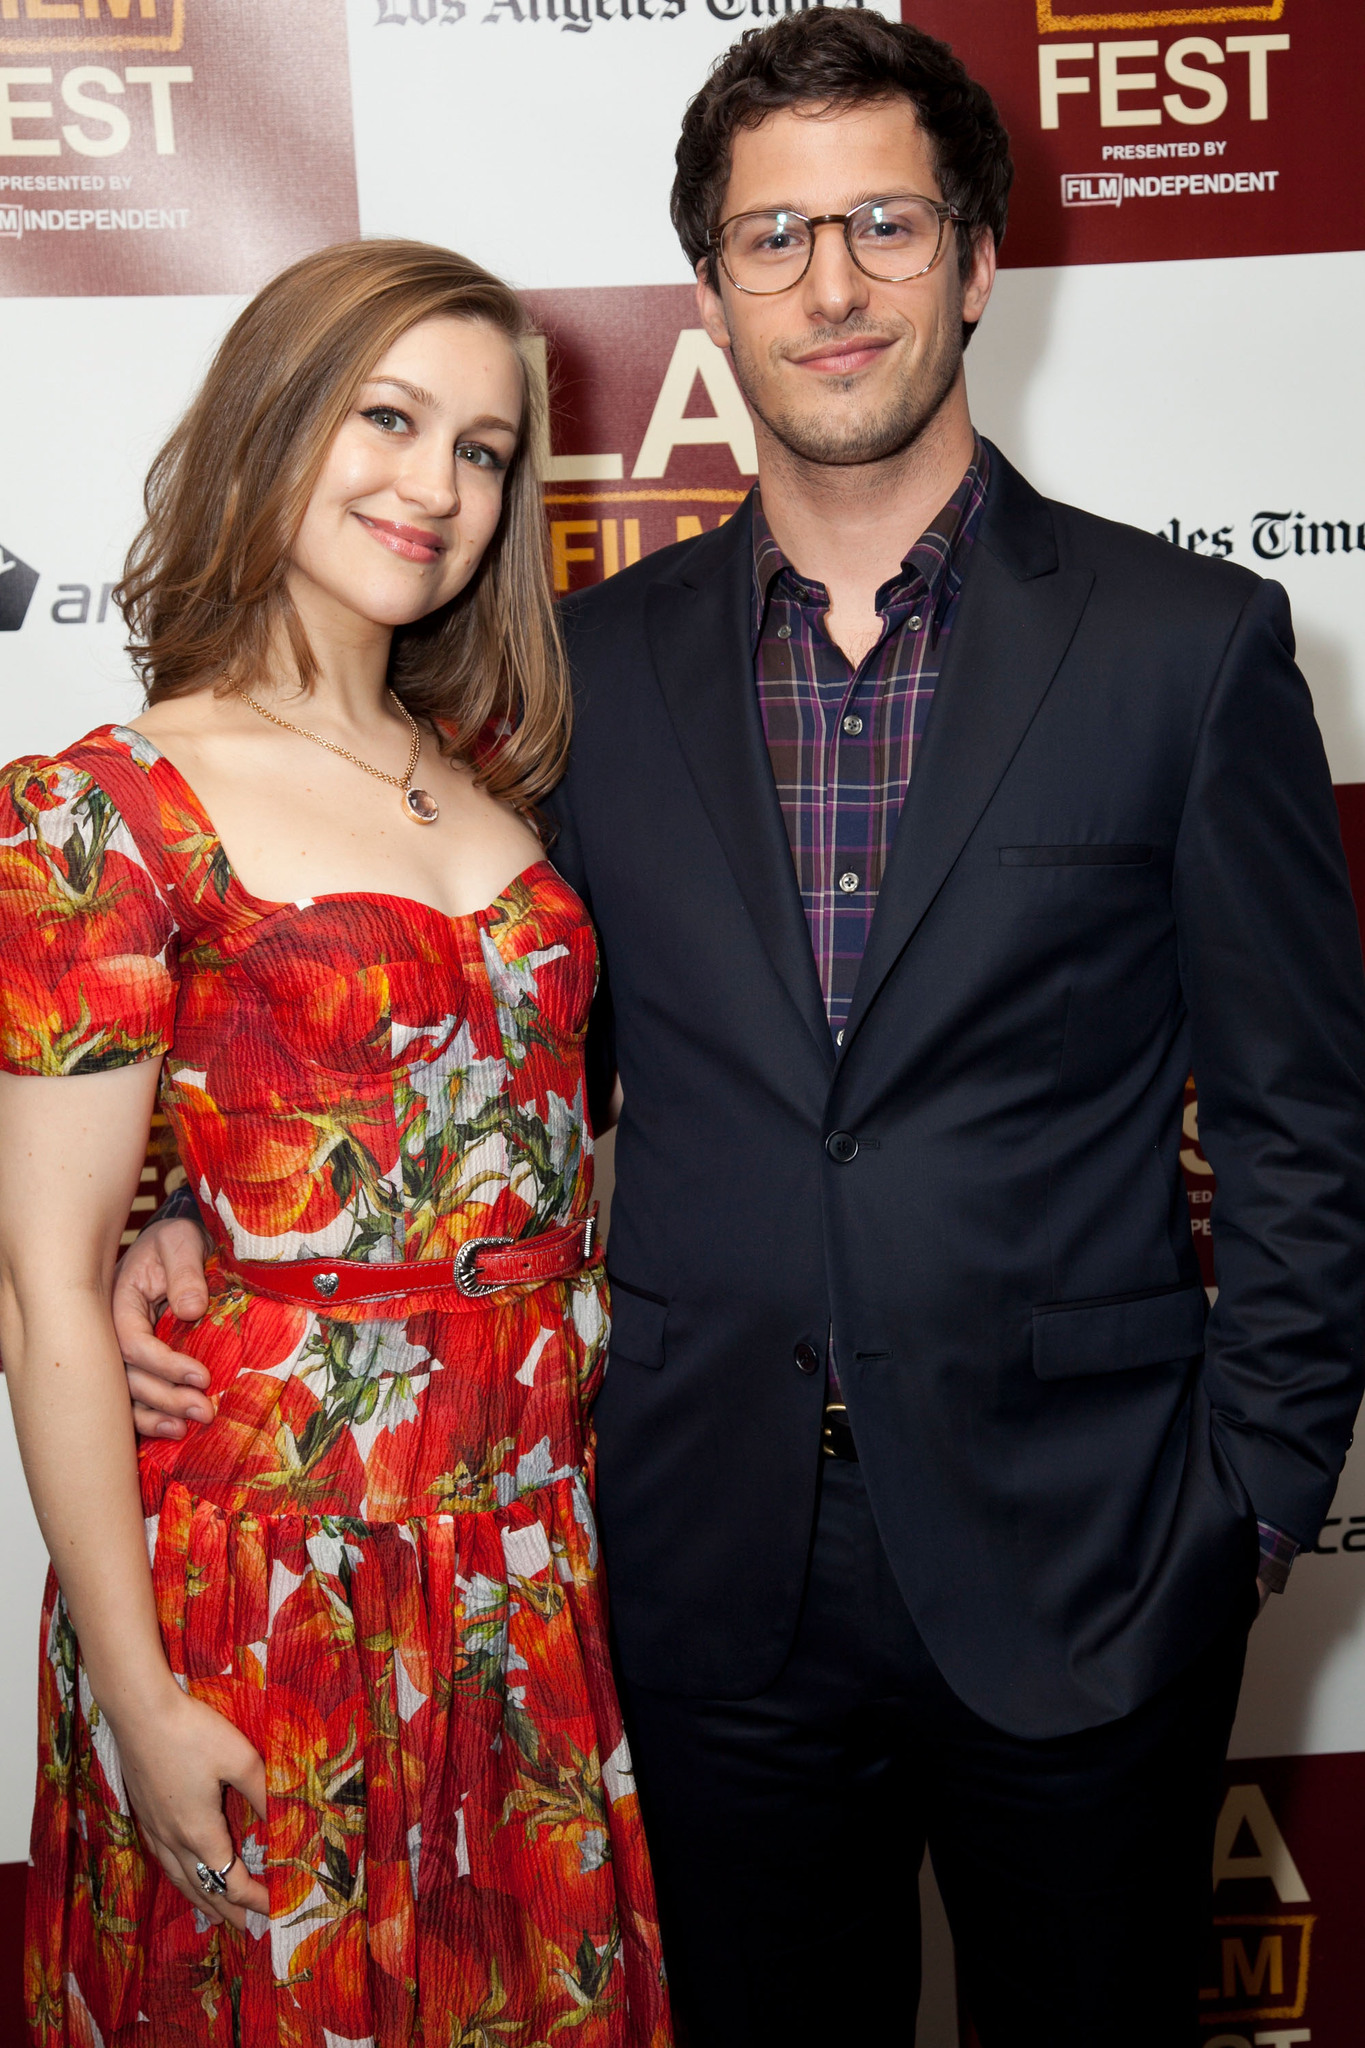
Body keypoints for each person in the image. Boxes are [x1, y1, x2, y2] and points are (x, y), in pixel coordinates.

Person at [114, 14, 1365, 2047]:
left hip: (1087, 1567)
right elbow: (463, 1046)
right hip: (702, 1582)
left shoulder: (1185, 648)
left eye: (882, 223)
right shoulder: (582, 670)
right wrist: (173, 1203)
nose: (830, 284)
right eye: (771, 238)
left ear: (973, 263)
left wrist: (1239, 1504)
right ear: (709, 293)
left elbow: (1306, 1122)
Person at [0, 238, 669, 2048]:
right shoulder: (103, 809)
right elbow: (49, 1292)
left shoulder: (490, 769)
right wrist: (139, 1702)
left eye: (483, 448)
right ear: (274, 421)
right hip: (275, 1577)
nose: (435, 485)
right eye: (389, 417)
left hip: (527, 1558)